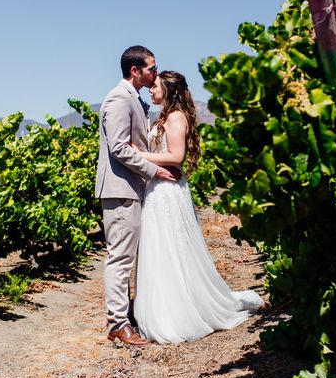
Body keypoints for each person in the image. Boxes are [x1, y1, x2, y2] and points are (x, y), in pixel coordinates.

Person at [132, 70, 264, 344]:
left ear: (169, 89)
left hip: (168, 190)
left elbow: (176, 156)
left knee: (172, 248)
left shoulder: (177, 117)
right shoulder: (165, 116)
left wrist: (138, 154)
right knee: (160, 248)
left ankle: (179, 310)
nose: (151, 90)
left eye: (155, 86)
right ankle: (166, 305)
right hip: (158, 188)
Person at [95, 46, 177, 346]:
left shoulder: (134, 99)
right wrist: (155, 171)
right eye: (151, 69)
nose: (155, 73)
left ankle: (128, 316)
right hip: (120, 189)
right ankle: (117, 324)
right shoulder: (118, 98)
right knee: (120, 258)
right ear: (135, 70)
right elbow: (119, 148)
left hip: (132, 188)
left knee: (130, 257)